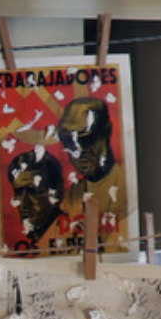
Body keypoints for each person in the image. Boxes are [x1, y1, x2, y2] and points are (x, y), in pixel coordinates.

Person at [55, 96, 127, 229]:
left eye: (87, 139)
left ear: (107, 132)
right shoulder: (70, 198)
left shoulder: (127, 186)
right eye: (70, 142)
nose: (80, 151)